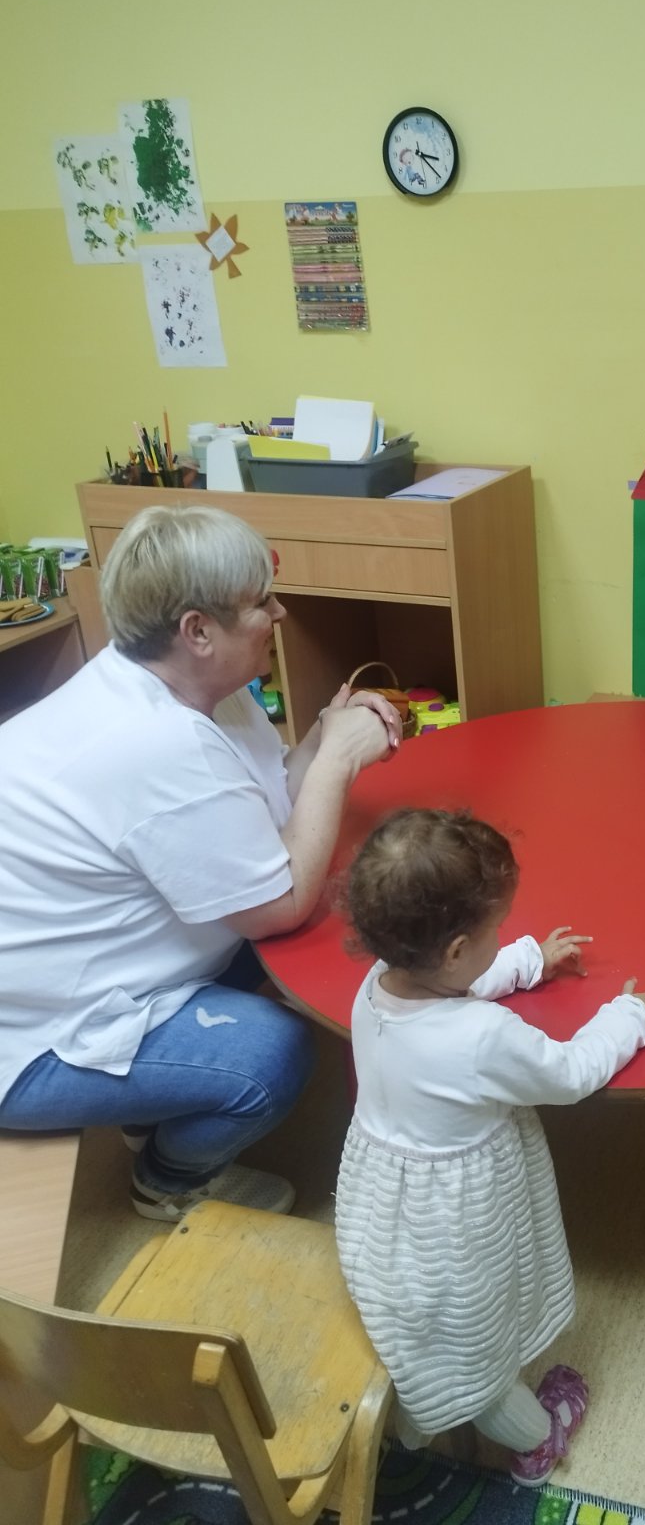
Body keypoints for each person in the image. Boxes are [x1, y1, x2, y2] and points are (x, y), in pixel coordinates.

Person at [0, 505, 400, 1220]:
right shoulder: (153, 741)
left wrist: (321, 738)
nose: (279, 613)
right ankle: (167, 1181)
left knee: (310, 939)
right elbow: (278, 905)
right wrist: (337, 763)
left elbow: (261, 796)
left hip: (88, 966)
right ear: (198, 630)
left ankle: (151, 1103)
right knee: (272, 1055)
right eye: (260, 603)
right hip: (30, 1044)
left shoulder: (185, 683)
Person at [334, 808, 645, 1486]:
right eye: (495, 931)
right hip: (458, 1226)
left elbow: (449, 986)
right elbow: (569, 1074)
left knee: (429, 1328)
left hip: (387, 1204)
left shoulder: (377, 984)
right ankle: (535, 1441)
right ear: (454, 951)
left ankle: (421, 1398)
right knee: (478, 1359)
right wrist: (632, 1017)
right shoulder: (483, 1038)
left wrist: (526, 960)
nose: (501, 936)